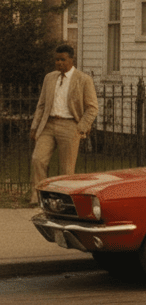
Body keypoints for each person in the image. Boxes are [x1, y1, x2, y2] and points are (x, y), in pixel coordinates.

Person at [29, 44, 99, 204]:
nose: (59, 63)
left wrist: (81, 128)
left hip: (70, 126)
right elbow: (41, 105)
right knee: (38, 159)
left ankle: (64, 201)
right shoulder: (49, 78)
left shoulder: (83, 79)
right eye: (56, 59)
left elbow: (92, 108)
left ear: (71, 60)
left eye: (63, 59)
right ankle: (38, 197)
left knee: (67, 168)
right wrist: (35, 126)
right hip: (48, 124)